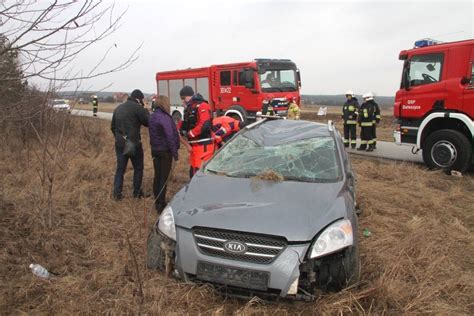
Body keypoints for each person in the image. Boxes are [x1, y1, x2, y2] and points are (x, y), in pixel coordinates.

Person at [111, 89, 150, 200]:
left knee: (120, 169)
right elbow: (148, 122)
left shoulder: (118, 108)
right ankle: (137, 193)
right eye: (142, 99)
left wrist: (119, 138)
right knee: (138, 168)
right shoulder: (138, 108)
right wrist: (146, 110)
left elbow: (112, 127)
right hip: (134, 143)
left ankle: (117, 194)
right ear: (139, 99)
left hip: (120, 143)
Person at [148, 95, 179, 212]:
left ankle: (157, 200)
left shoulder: (152, 116)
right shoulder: (165, 118)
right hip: (165, 151)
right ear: (165, 104)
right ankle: (160, 204)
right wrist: (175, 153)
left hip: (155, 150)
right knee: (163, 178)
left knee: (157, 175)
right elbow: (170, 136)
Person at [179, 86, 214, 178]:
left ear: (189, 96)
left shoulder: (202, 105)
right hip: (194, 146)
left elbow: (204, 124)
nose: (183, 101)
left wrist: (190, 133)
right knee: (193, 171)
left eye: (183, 98)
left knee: (199, 174)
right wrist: (181, 129)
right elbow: (185, 123)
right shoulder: (188, 109)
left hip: (203, 145)